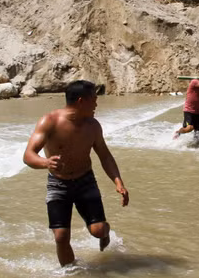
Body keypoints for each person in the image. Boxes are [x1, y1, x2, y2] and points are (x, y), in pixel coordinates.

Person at [23, 80, 130, 267]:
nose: (97, 104)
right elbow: (28, 155)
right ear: (81, 101)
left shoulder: (93, 126)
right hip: (58, 184)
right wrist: (45, 162)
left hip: (85, 181)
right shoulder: (50, 121)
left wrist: (118, 182)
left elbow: (105, 156)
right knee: (61, 236)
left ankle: (105, 232)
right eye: (94, 100)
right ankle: (71, 273)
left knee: (98, 230)